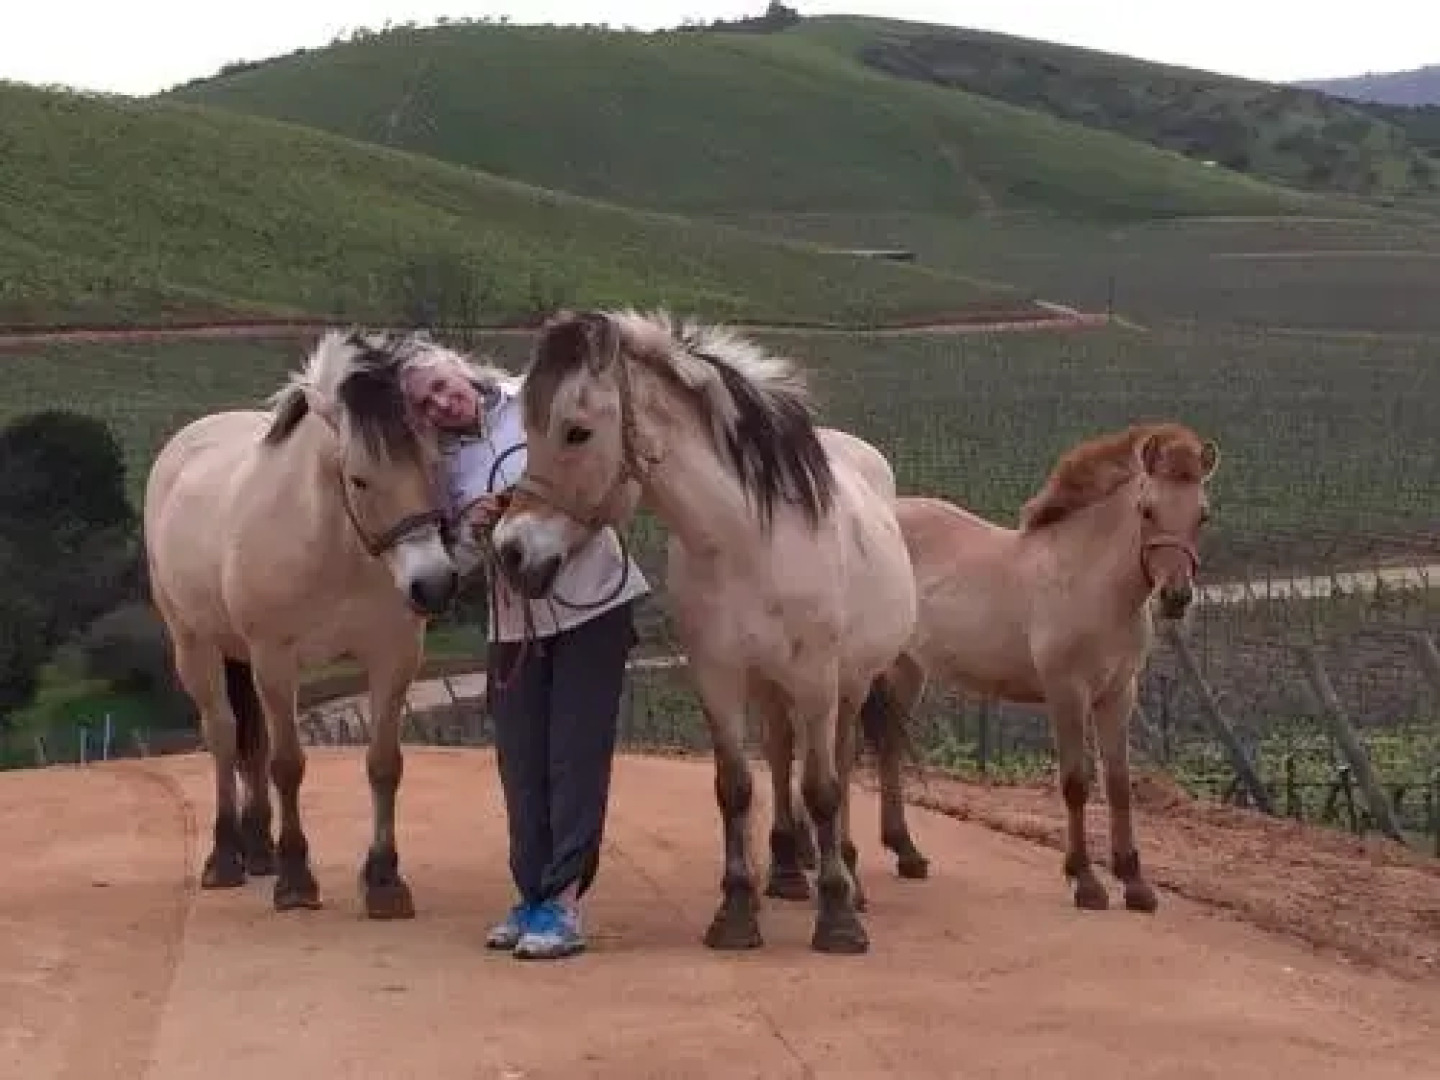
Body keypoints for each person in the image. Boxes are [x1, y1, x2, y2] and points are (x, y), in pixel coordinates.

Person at [402, 345, 650, 960]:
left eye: (439, 384)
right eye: (425, 403)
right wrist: (471, 530)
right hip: (511, 623)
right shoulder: (439, 466)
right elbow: (455, 563)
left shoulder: (535, 403)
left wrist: (536, 505)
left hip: (593, 604)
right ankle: (530, 893)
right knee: (520, 763)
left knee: (575, 754)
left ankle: (563, 902)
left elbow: (613, 480)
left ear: (457, 367)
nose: (440, 402)